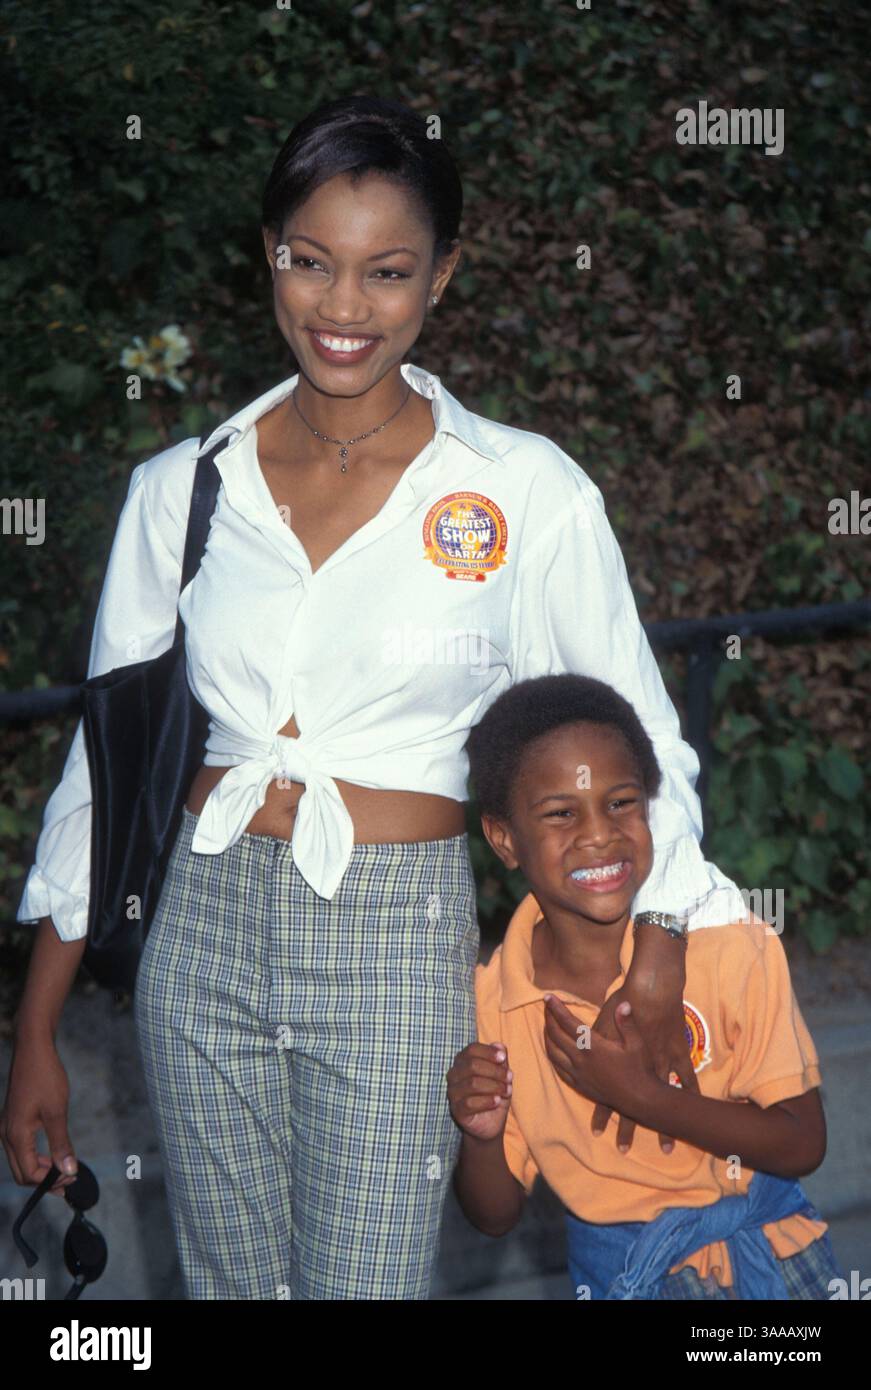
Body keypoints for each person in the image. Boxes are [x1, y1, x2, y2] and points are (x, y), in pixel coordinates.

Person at [3, 96, 749, 1301]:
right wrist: (34, 1030)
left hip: (399, 940)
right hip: (203, 931)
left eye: (386, 271)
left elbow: (634, 736)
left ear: (441, 276)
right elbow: (106, 764)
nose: (342, 307)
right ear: (270, 256)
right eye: (310, 261)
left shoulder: (525, 492)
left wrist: (655, 962)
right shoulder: (183, 492)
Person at [449, 672, 844, 1300]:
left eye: (621, 802)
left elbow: (802, 1141)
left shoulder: (734, 945)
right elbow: (492, 1214)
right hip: (621, 1279)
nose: (599, 833)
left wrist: (641, 1096)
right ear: (503, 839)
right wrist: (480, 1130)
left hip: (771, 1258)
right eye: (560, 813)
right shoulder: (497, 1001)